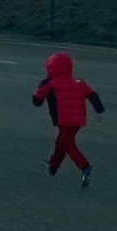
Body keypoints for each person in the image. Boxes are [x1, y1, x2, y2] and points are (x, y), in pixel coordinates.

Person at [33, 51, 103, 187]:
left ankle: (85, 167)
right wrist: (99, 110)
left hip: (64, 119)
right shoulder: (79, 82)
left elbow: (38, 96)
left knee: (67, 143)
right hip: (78, 119)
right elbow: (93, 95)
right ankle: (53, 167)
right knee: (61, 143)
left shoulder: (52, 82)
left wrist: (37, 99)